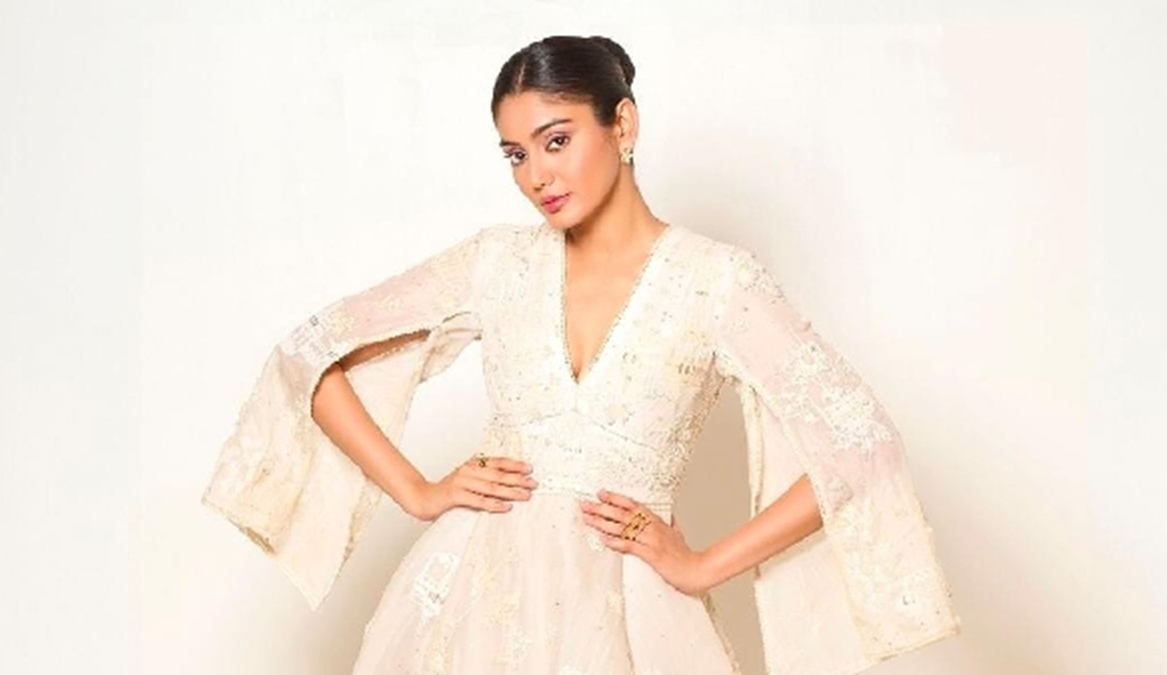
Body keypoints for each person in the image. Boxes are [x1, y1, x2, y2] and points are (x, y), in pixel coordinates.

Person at [201, 34, 962, 674]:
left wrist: (702, 564)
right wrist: (418, 492)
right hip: (471, 603)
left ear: (622, 124)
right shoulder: (495, 262)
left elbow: (861, 445)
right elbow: (312, 353)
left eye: (556, 140)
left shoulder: (716, 282)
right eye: (515, 154)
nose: (536, 176)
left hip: (632, 617)